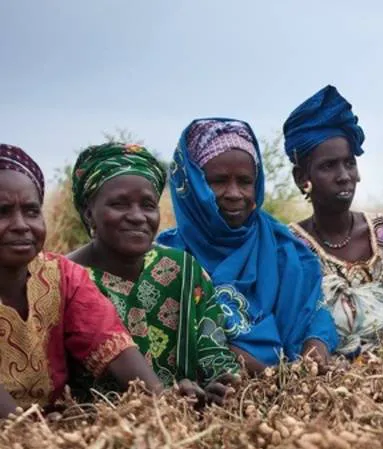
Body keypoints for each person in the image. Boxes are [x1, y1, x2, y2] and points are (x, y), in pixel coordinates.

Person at [157, 119, 338, 374]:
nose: (234, 193)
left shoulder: (286, 248)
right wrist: (268, 374)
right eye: (218, 181)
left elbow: (314, 313)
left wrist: (315, 347)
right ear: (192, 185)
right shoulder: (165, 260)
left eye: (244, 181)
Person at [67, 142, 241, 405]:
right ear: (89, 213)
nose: (137, 217)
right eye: (119, 204)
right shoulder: (65, 278)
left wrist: (218, 387)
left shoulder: (182, 269)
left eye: (148, 205)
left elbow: (214, 352)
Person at [0, 144, 162, 417]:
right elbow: (12, 425)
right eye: (3, 211)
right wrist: (33, 437)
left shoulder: (61, 275)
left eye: (31, 211)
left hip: (48, 429)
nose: (21, 225)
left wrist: (164, 407)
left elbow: (112, 343)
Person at [284, 85, 383, 357]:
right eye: (328, 166)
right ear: (302, 178)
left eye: (349, 163)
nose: (344, 175)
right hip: (324, 387)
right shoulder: (290, 245)